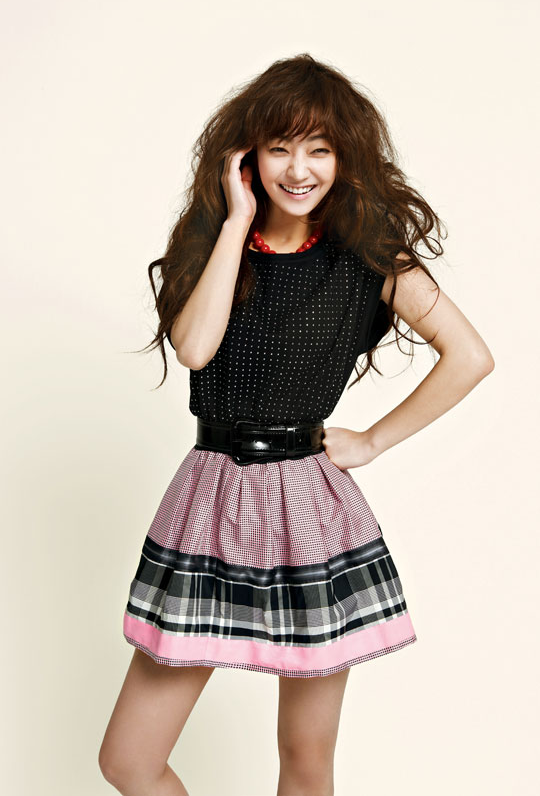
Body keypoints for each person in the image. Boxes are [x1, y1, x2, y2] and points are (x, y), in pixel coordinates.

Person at [99, 53, 494, 796]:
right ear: (246, 156)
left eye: (319, 149)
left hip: (310, 507)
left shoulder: (368, 259)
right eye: (279, 147)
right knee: (129, 760)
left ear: (345, 160)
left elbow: (470, 356)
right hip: (210, 497)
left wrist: (372, 441)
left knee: (306, 762)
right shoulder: (211, 244)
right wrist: (236, 222)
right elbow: (195, 348)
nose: (299, 168)